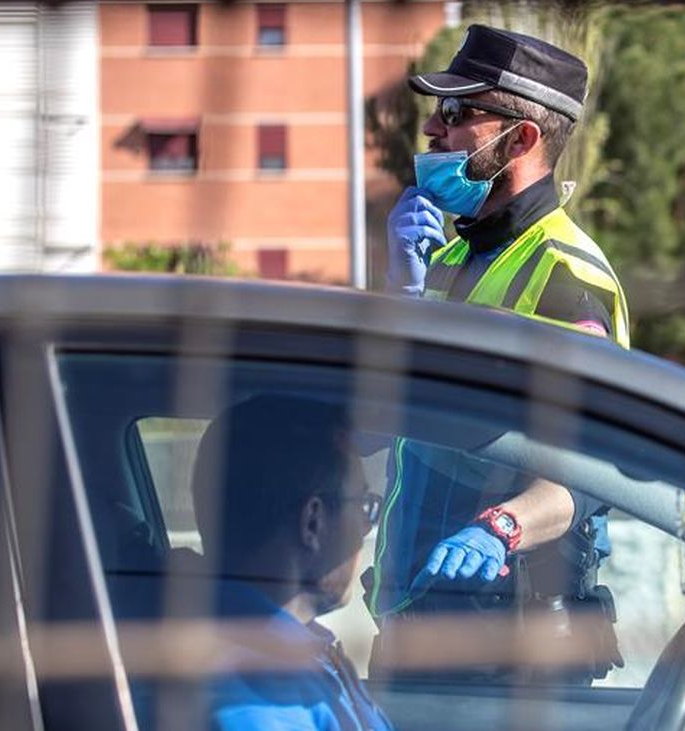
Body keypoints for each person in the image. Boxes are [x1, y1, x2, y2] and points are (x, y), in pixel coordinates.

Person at [366, 25, 629, 683]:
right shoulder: (448, 260)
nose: (432, 127)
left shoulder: (570, 278)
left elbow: (595, 473)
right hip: (417, 625)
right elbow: (377, 423)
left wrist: (502, 527)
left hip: (514, 657)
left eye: (457, 112)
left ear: (522, 139)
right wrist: (399, 294)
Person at [187, 395, 393, 731]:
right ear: (313, 522)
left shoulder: (283, 651)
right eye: (363, 506)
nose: (366, 527)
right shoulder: (261, 700)